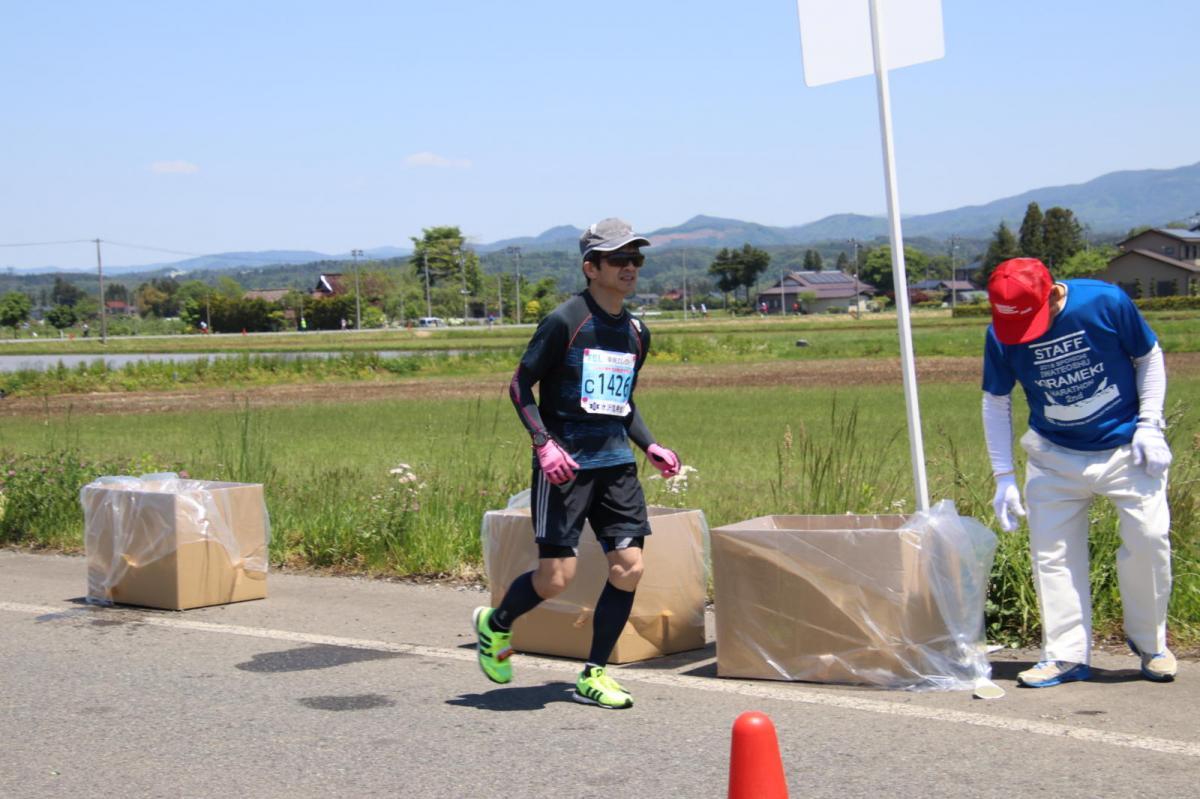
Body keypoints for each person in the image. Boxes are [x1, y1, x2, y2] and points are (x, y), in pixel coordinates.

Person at [474, 218, 681, 710]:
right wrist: (544, 443)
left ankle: (595, 673)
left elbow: (620, 403)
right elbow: (520, 387)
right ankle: (496, 623)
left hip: (615, 465)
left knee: (629, 567)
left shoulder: (635, 331)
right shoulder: (566, 321)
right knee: (556, 579)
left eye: (636, 259)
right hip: (565, 468)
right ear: (592, 267)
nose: (630, 267)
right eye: (619, 259)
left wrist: (649, 444)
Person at [981, 258, 1175, 688]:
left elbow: (1148, 356)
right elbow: (996, 400)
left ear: (1052, 293)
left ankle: (1151, 643)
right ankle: (1065, 655)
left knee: (1148, 539)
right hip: (1053, 455)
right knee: (1052, 557)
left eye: (1035, 317)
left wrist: (1149, 425)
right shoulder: (999, 331)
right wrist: (1004, 477)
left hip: (1127, 447)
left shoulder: (1104, 301)